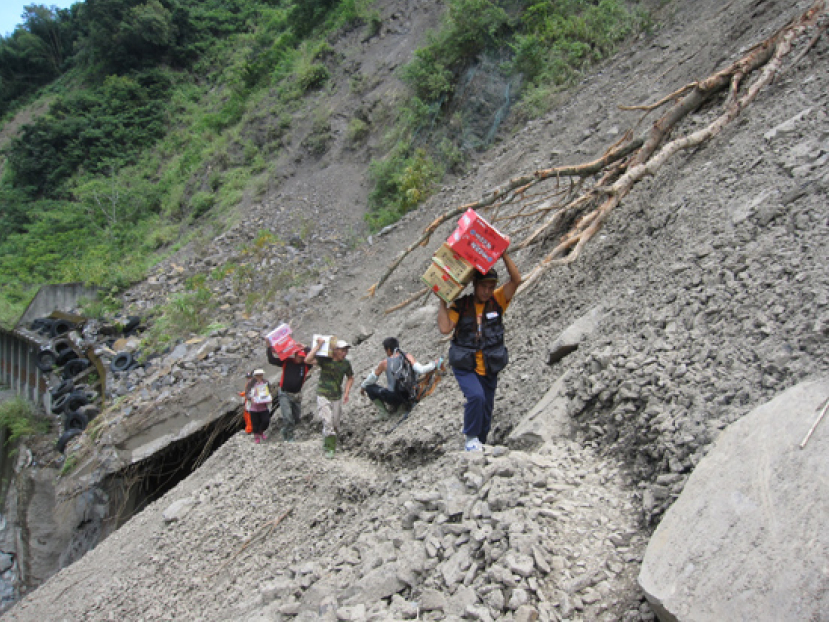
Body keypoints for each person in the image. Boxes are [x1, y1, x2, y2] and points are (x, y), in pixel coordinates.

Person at [437, 252, 521, 451]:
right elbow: (445, 328)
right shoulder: (462, 305)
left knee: (486, 407)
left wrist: (504, 254)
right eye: (484, 286)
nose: (487, 291)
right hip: (466, 365)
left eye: (491, 287)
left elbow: (516, 280)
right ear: (475, 285)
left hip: (490, 364)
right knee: (476, 397)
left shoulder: (498, 300)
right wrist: (441, 301)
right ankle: (471, 438)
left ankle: (480, 444)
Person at [360, 337, 440, 419]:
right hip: (410, 393)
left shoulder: (385, 363)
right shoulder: (408, 356)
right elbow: (421, 369)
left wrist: (363, 387)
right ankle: (403, 404)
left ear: (388, 350)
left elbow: (372, 378)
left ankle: (384, 413)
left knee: (369, 387)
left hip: (395, 397)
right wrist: (434, 363)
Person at [304, 337, 354, 458]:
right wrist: (318, 346)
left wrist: (347, 392)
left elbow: (350, 377)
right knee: (327, 421)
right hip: (323, 394)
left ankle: (328, 440)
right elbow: (307, 360)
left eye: (346, 351)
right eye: (342, 350)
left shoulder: (346, 364)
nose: (344, 353)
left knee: (335, 423)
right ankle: (330, 449)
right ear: (335, 350)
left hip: (336, 395)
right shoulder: (325, 360)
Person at [267, 342, 314, 442]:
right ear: (295, 355)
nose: (300, 359)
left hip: (296, 395)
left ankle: (286, 430)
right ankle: (289, 435)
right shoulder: (287, 361)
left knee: (296, 418)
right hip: (284, 393)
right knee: (288, 416)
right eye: (298, 356)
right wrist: (269, 348)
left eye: (302, 357)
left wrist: (306, 347)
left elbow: (314, 357)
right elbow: (272, 360)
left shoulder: (305, 365)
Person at [246, 369, 273, 444]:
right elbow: (247, 393)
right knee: (255, 423)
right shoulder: (250, 383)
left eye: (260, 375)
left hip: (263, 406)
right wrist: (250, 398)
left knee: (266, 421)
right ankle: (256, 436)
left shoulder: (266, 382)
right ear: (254, 376)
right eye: (257, 375)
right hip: (253, 407)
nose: (259, 376)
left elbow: (270, 391)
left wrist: (270, 398)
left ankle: (261, 431)